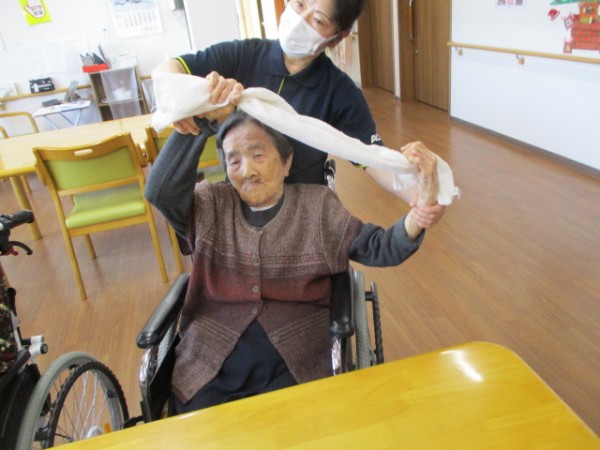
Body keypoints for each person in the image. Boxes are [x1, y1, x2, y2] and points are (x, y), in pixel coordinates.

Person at [145, 110, 438, 414]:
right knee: (202, 427)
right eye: (234, 161)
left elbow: (382, 247)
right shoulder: (210, 204)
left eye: (258, 155)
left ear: (286, 162)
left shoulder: (317, 207)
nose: (247, 171)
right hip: (211, 354)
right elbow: (159, 192)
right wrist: (198, 125)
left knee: (294, 424)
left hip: (295, 355)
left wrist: (420, 212)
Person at [152, 0, 444, 229]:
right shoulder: (242, 55)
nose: (300, 20)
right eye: (300, 3)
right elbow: (168, 70)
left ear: (337, 38)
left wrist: (421, 198)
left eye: (318, 20)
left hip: (302, 214)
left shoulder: (339, 91)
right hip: (242, 205)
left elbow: (372, 157)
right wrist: (180, 99)